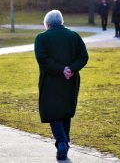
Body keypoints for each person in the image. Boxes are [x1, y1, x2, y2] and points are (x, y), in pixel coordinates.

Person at [34, 10, 89, 161]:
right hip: (70, 80)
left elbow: (42, 59)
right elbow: (84, 57)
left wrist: (61, 69)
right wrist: (71, 69)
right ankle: (64, 141)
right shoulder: (74, 36)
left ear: (47, 24)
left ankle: (62, 142)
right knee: (65, 110)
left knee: (53, 112)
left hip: (51, 81)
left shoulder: (41, 38)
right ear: (62, 22)